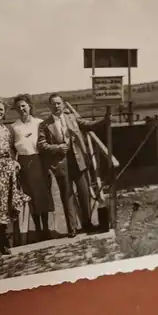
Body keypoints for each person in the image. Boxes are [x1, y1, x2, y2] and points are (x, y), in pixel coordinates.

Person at [37, 93, 106, 238]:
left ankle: (87, 224)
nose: (56, 106)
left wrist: (104, 120)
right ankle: (72, 227)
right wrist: (57, 148)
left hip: (78, 160)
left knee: (84, 192)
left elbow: (86, 125)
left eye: (58, 103)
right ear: (49, 106)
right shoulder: (44, 125)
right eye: (53, 104)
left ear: (63, 104)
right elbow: (41, 145)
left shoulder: (71, 118)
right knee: (67, 195)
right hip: (61, 163)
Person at [0, 99, 30, 257]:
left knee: (5, 206)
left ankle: (4, 243)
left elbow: (10, 150)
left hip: (5, 172)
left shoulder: (6, 130)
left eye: (1, 109)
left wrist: (13, 162)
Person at [10, 94, 55, 241]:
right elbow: (12, 148)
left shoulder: (39, 123)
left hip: (39, 161)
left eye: (24, 105)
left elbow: (47, 142)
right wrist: (14, 161)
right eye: (18, 107)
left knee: (43, 196)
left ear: (29, 106)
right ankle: (38, 229)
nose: (21, 109)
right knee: (31, 197)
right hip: (24, 163)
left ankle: (47, 228)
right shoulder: (14, 127)